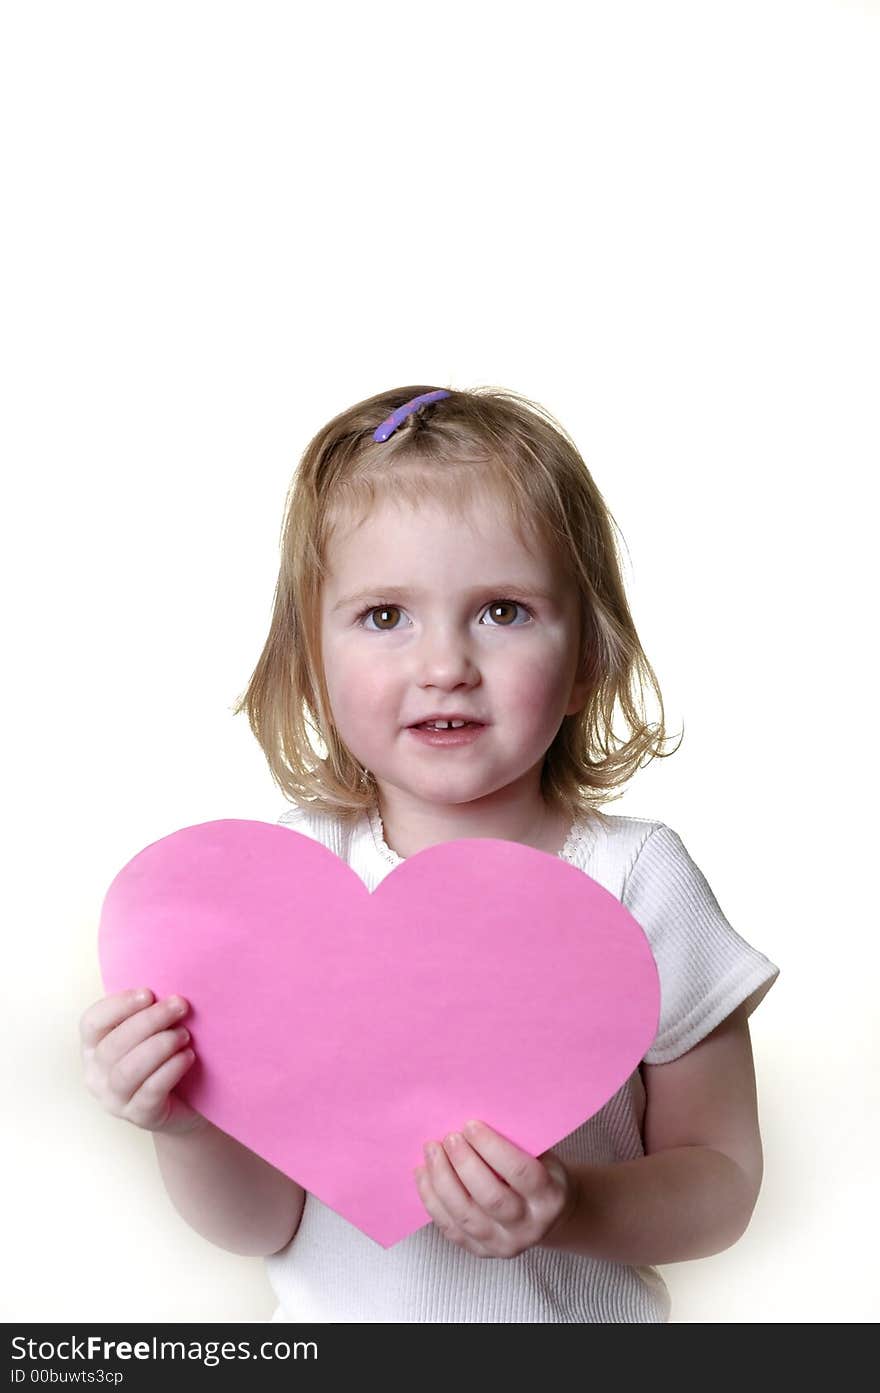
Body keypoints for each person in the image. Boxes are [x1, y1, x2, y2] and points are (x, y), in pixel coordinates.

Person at [80, 384, 779, 1323]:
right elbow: (262, 1224)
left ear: (587, 662)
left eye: (502, 610)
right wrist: (189, 1123)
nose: (443, 663)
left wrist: (572, 1204)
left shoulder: (637, 881)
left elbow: (722, 1183)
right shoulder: (286, 890)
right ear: (313, 665)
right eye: (383, 616)